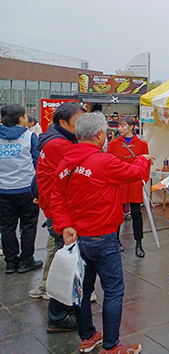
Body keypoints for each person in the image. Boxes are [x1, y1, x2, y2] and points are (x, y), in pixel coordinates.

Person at [51, 112, 152, 354]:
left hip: (77, 238)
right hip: (103, 236)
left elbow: (57, 198)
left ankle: (87, 337)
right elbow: (134, 173)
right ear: (99, 134)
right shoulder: (103, 161)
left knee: (83, 290)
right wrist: (143, 159)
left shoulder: (65, 164)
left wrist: (65, 224)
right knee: (113, 290)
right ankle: (111, 346)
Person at [31, 102, 86, 333]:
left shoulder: (57, 140)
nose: (83, 126)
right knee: (66, 263)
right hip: (60, 211)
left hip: (55, 208)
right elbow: (78, 175)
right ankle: (58, 315)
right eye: (78, 122)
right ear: (63, 122)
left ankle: (66, 306)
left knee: (64, 257)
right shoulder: (60, 145)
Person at [0, 104, 42, 274]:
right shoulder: (29, 137)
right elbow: (38, 164)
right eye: (25, 116)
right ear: (20, 119)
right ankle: (26, 260)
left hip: (3, 190)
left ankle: (11, 262)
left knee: (7, 227)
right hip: (26, 189)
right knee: (28, 226)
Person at [107, 117, 150, 258]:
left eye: (123, 126)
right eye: (119, 126)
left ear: (132, 127)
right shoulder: (113, 144)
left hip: (135, 183)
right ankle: (115, 240)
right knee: (117, 213)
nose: (120, 128)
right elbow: (108, 163)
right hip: (119, 183)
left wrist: (143, 180)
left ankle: (139, 243)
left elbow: (147, 164)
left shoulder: (142, 144)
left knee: (137, 213)